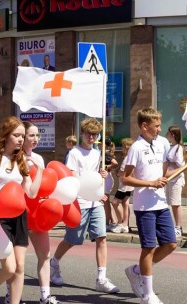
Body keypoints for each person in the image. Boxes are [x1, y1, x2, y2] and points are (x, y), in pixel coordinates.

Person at [122, 108, 187, 304]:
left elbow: (163, 176)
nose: (159, 129)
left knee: (171, 243)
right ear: (144, 126)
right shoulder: (136, 148)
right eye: (156, 126)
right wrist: (150, 183)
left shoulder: (160, 145)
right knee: (148, 248)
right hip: (144, 206)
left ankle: (137, 270)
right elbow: (126, 178)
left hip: (161, 203)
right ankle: (148, 294)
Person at [0, 116, 44, 304]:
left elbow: (30, 193)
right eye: (17, 135)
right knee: (10, 268)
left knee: (20, 267)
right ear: (6, 135)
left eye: (23, 136)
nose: (21, 139)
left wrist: (40, 172)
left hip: (19, 216)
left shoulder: (22, 161)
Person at [50, 118, 120, 294]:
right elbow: (73, 178)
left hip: (95, 202)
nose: (91, 137)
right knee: (72, 240)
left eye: (95, 134)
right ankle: (54, 262)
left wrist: (104, 174)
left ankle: (101, 279)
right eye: (89, 134)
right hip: (79, 202)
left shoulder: (98, 154)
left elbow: (98, 177)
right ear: (82, 133)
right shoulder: (74, 153)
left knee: (101, 237)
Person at [21, 121, 59, 304]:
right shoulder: (15, 157)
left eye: (38, 135)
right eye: (31, 135)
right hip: (19, 212)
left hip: (37, 212)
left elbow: (44, 187)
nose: (35, 139)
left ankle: (45, 295)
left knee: (45, 255)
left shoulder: (38, 158)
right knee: (16, 262)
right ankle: (9, 294)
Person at [165, 126, 186, 238]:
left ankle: (178, 227)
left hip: (176, 179)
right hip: (170, 178)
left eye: (168, 132)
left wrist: (169, 162)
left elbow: (181, 165)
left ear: (172, 134)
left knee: (176, 203)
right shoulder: (171, 147)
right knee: (172, 204)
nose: (166, 134)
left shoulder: (179, 148)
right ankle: (176, 226)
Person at [110, 138, 134, 234]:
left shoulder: (127, 158)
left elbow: (122, 172)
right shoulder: (131, 157)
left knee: (115, 202)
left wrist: (118, 173)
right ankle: (125, 224)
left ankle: (121, 223)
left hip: (124, 185)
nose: (123, 148)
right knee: (125, 203)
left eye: (123, 146)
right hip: (129, 184)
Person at [101, 138, 119, 231]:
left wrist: (107, 167)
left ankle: (107, 222)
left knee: (105, 200)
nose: (99, 145)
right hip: (106, 178)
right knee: (105, 200)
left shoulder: (106, 153)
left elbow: (115, 163)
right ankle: (112, 220)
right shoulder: (103, 152)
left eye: (100, 143)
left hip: (107, 178)